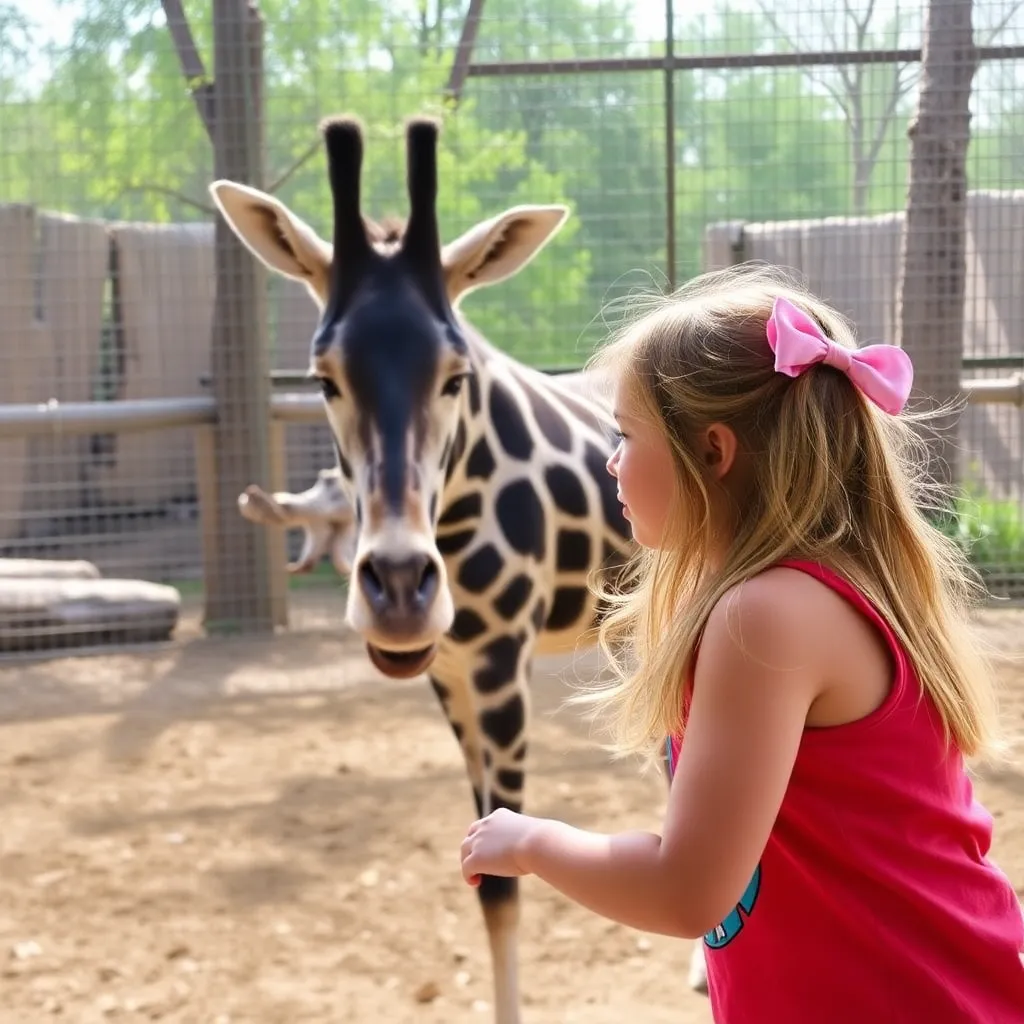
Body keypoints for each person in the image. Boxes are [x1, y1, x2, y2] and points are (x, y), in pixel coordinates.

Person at [458, 265, 1024, 1023]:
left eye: (625, 435)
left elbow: (684, 889)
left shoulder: (765, 619)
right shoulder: (818, 589)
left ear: (714, 452)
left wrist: (531, 841)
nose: (610, 462)